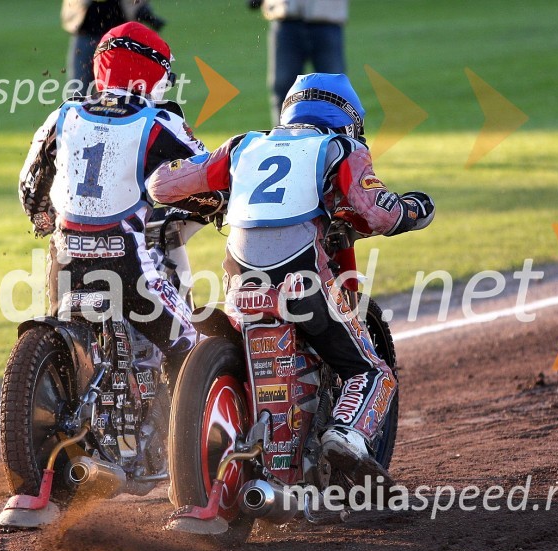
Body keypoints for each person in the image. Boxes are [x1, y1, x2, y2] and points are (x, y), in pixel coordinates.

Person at [147, 73, 435, 482]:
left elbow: (161, 184)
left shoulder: (244, 145)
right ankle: (347, 435)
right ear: (348, 118)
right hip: (303, 282)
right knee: (372, 371)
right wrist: (412, 209)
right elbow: (376, 213)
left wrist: (217, 196)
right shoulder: (339, 147)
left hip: (239, 286)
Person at [18, 22, 205, 356]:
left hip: (65, 259)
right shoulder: (159, 120)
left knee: (66, 347)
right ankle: (178, 403)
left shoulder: (65, 114)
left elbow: (30, 189)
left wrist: (46, 221)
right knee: (193, 350)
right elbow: (210, 176)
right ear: (153, 73)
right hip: (128, 263)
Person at [248, 0, 348, 124]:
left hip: (327, 17)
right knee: (284, 85)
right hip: (284, 17)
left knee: (334, 88)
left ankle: (339, 139)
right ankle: (283, 138)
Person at [62, 0, 166, 95]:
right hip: (86, 32)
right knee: (78, 88)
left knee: (120, 90)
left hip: (119, 39)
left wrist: (143, 11)